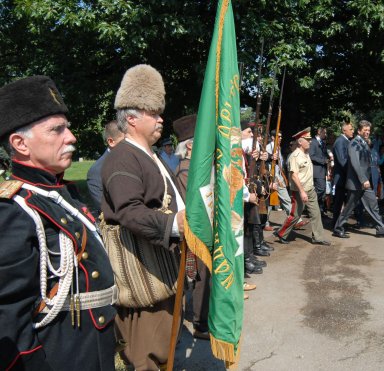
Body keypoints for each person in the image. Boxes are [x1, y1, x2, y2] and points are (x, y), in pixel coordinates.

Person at [0, 76, 117, 370]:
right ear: (19, 143)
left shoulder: (63, 194)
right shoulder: (14, 210)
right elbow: (9, 318)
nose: (72, 137)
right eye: (57, 130)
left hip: (94, 348)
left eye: (67, 127)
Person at [101, 64, 185, 370]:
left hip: (163, 274)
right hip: (142, 282)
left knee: (164, 352)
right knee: (147, 359)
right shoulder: (124, 156)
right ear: (132, 117)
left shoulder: (150, 154)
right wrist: (176, 224)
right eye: (153, 112)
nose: (161, 118)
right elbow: (128, 211)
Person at [273, 127, 330, 246]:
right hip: (299, 191)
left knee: (316, 213)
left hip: (310, 189)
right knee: (295, 215)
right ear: (300, 142)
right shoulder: (295, 156)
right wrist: (302, 192)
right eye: (307, 139)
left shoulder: (306, 153)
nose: (310, 141)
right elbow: (294, 176)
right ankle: (281, 233)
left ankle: (318, 237)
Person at [333, 120, 384, 238]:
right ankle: (338, 228)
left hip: (364, 182)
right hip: (357, 182)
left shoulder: (364, 143)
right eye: (365, 130)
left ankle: (381, 228)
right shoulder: (354, 143)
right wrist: (363, 179)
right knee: (349, 207)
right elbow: (355, 163)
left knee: (372, 204)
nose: (367, 132)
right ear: (359, 131)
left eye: (368, 130)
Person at [265, 130, 309, 230]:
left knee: (285, 200)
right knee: (269, 201)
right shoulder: (270, 147)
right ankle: (266, 223)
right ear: (273, 137)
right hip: (272, 177)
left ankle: (295, 221)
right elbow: (268, 166)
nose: (280, 138)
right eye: (278, 137)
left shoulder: (277, 147)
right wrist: (275, 178)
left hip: (278, 177)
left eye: (281, 137)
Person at [86, 120, 124, 213]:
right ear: (111, 142)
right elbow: (104, 207)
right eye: (126, 141)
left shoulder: (136, 161)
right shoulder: (97, 171)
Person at [332, 118, 355, 226]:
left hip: (345, 177)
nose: (353, 131)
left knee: (342, 201)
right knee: (339, 201)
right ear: (344, 131)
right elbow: (342, 161)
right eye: (350, 129)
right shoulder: (340, 141)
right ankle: (336, 224)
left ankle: (338, 223)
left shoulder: (346, 141)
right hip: (341, 177)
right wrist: (353, 172)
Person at [309, 127, 329, 215]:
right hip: (316, 170)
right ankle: (311, 206)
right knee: (320, 189)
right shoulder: (313, 142)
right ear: (319, 132)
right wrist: (323, 161)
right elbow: (311, 156)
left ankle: (319, 210)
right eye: (324, 133)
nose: (325, 135)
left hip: (322, 170)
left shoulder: (322, 143)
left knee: (323, 191)